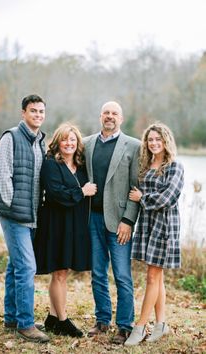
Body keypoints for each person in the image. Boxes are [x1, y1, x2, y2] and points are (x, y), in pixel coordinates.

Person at [83, 101, 140, 344]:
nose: (109, 116)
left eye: (114, 113)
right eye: (106, 113)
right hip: (92, 219)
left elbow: (136, 186)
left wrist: (128, 219)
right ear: (100, 117)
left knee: (122, 275)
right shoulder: (87, 143)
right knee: (97, 273)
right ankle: (102, 320)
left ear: (121, 118)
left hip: (119, 223)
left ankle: (125, 326)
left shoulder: (134, 146)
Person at [33, 122, 97, 338]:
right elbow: (56, 194)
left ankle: (52, 317)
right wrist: (82, 191)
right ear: (57, 142)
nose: (69, 143)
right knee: (59, 272)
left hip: (75, 225)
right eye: (64, 139)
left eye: (73, 139)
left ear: (77, 143)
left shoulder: (81, 166)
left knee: (63, 272)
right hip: (56, 224)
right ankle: (63, 321)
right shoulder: (51, 164)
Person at [0, 94, 50, 343]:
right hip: (15, 215)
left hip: (33, 215)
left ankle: (12, 317)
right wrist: (11, 206)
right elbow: (2, 174)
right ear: (23, 113)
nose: (38, 115)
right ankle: (26, 324)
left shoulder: (41, 142)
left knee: (15, 267)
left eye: (41, 111)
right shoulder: (11, 137)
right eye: (33, 111)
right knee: (28, 267)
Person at [125, 122, 184, 346]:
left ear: (166, 141)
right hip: (147, 223)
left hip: (164, 225)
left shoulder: (174, 167)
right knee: (156, 277)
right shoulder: (146, 165)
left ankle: (140, 327)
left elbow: (168, 198)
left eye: (158, 139)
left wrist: (143, 199)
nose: (154, 143)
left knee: (152, 277)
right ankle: (161, 325)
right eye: (150, 140)